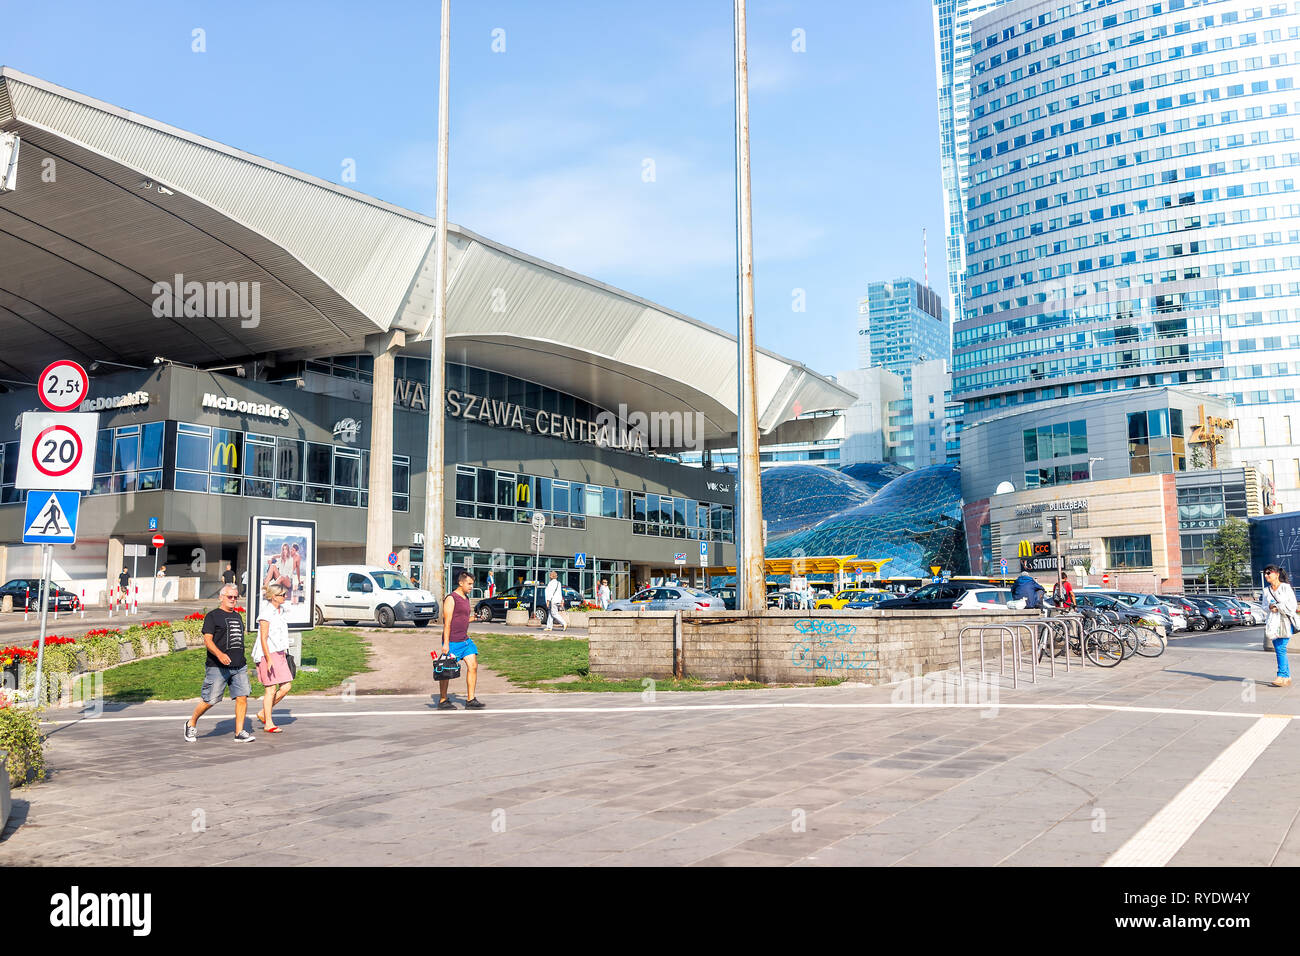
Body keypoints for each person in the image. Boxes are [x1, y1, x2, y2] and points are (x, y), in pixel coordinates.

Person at [184, 585, 254, 743]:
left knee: (242, 697)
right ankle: (191, 722)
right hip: (217, 666)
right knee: (210, 699)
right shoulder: (212, 616)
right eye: (230, 597)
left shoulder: (237, 616)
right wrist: (220, 654)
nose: (233, 600)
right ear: (221, 597)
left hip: (239, 666)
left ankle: (239, 732)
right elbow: (207, 641)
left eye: (236, 597)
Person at [437, 570, 484, 710]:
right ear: (460, 583)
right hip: (452, 641)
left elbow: (463, 619)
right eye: (469, 584)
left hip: (465, 641)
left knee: (473, 665)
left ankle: (470, 700)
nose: (471, 587)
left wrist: (474, 618)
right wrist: (445, 644)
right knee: (446, 671)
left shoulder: (466, 598)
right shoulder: (451, 598)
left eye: (472, 584)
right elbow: (447, 623)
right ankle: (443, 700)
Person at [253, 582, 293, 731]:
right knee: (270, 689)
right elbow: (263, 638)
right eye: (282, 595)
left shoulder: (281, 610)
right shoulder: (266, 613)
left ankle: (264, 712)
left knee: (286, 686)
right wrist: (268, 659)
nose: (285, 597)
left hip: (280, 653)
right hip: (267, 654)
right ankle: (268, 723)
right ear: (273, 597)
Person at [1263, 564, 1299, 688]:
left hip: (1285, 621)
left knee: (1280, 648)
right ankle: (1287, 677)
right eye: (1265, 573)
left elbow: (1293, 606)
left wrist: (1277, 607)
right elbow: (1263, 606)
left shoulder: (1285, 588)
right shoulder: (1266, 590)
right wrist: (1269, 607)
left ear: (1277, 574)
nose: (1266, 575)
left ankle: (1280, 675)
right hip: (1273, 623)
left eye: (1269, 573)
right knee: (1279, 648)